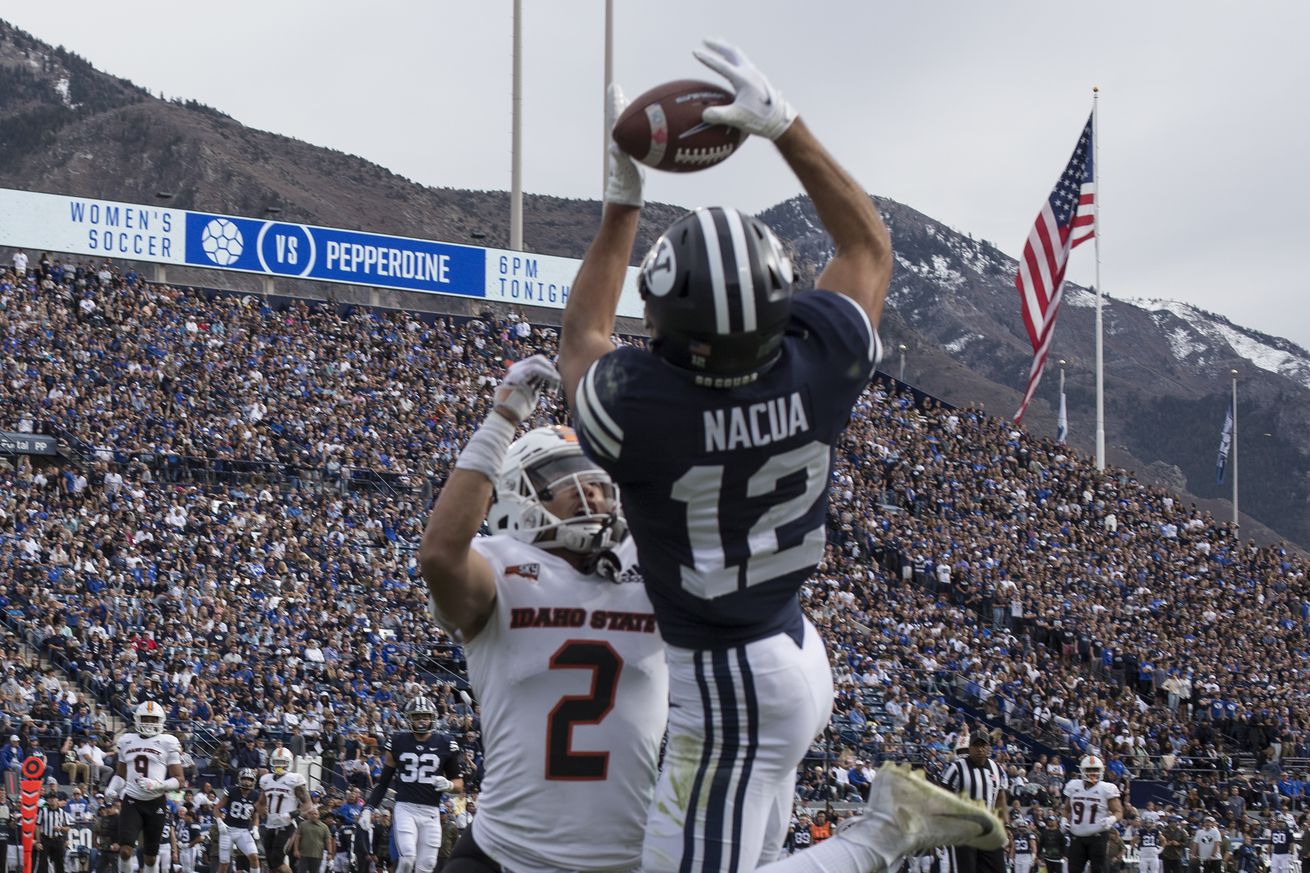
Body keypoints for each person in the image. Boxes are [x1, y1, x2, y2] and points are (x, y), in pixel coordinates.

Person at [558, 38, 1004, 873]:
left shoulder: (643, 410)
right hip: (790, 646)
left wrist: (622, 202)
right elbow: (869, 248)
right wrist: (786, 127)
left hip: (728, 681)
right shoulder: (822, 361)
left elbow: (581, 335)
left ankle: (882, 832)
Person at [418, 357, 669, 873]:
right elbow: (441, 554)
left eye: (597, 479)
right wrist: (502, 419)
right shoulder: (499, 565)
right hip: (506, 854)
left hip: (632, 858)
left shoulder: (653, 566)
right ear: (512, 496)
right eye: (564, 479)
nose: (589, 490)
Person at [358, 698, 462, 873]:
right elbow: (383, 783)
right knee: (407, 859)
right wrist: (369, 808)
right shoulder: (398, 741)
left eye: (425, 717)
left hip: (431, 811)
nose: (422, 721)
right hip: (406, 808)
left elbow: (459, 784)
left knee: (427, 866)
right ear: (409, 719)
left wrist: (449, 785)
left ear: (433, 718)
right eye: (417, 717)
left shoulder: (445, 742)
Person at [104, 701, 185, 873]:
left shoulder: (167, 741)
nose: (148, 722)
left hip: (156, 802)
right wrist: (112, 788)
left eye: (153, 719)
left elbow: (180, 780)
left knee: (150, 856)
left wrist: (158, 785)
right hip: (132, 801)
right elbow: (121, 774)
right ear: (137, 719)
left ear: (161, 721)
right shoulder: (127, 740)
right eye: (145, 718)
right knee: (125, 851)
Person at [941, 736, 1008, 873]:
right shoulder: (957, 768)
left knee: (998, 868)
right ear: (969, 748)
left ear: (988, 747)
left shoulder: (997, 769)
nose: (980, 749)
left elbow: (1000, 799)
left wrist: (1005, 826)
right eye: (976, 745)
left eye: (983, 745)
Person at [1062, 757, 1122, 873]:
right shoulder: (1073, 786)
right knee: (1073, 869)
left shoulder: (1106, 788)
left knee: (1099, 869)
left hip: (1097, 836)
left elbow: (1119, 811)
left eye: (1095, 769)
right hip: (1077, 836)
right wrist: (1063, 819)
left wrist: (1112, 819)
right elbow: (1066, 809)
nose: (1092, 773)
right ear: (1082, 771)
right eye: (1089, 770)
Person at [259, 747, 312, 873]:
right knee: (271, 864)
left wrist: (292, 814)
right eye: (276, 762)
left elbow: (307, 804)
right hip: (270, 824)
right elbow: (260, 803)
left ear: (289, 763)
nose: (279, 766)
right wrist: (262, 812)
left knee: (277, 860)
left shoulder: (294, 779)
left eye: (282, 762)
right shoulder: (266, 780)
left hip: (286, 825)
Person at [214, 769, 262, 873]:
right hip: (227, 830)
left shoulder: (255, 795)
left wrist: (255, 828)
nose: (246, 782)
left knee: (254, 857)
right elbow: (217, 808)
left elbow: (256, 815)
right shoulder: (231, 790)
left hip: (243, 831)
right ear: (239, 779)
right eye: (244, 779)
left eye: (249, 779)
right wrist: (220, 822)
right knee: (224, 864)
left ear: (253, 781)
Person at [287, 807, 333, 873]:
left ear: (319, 815)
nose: (314, 815)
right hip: (303, 855)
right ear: (308, 815)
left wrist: (330, 853)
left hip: (317, 855)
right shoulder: (302, 825)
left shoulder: (324, 827)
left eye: (315, 814)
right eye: (312, 814)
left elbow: (328, 841)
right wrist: (296, 850)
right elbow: (297, 838)